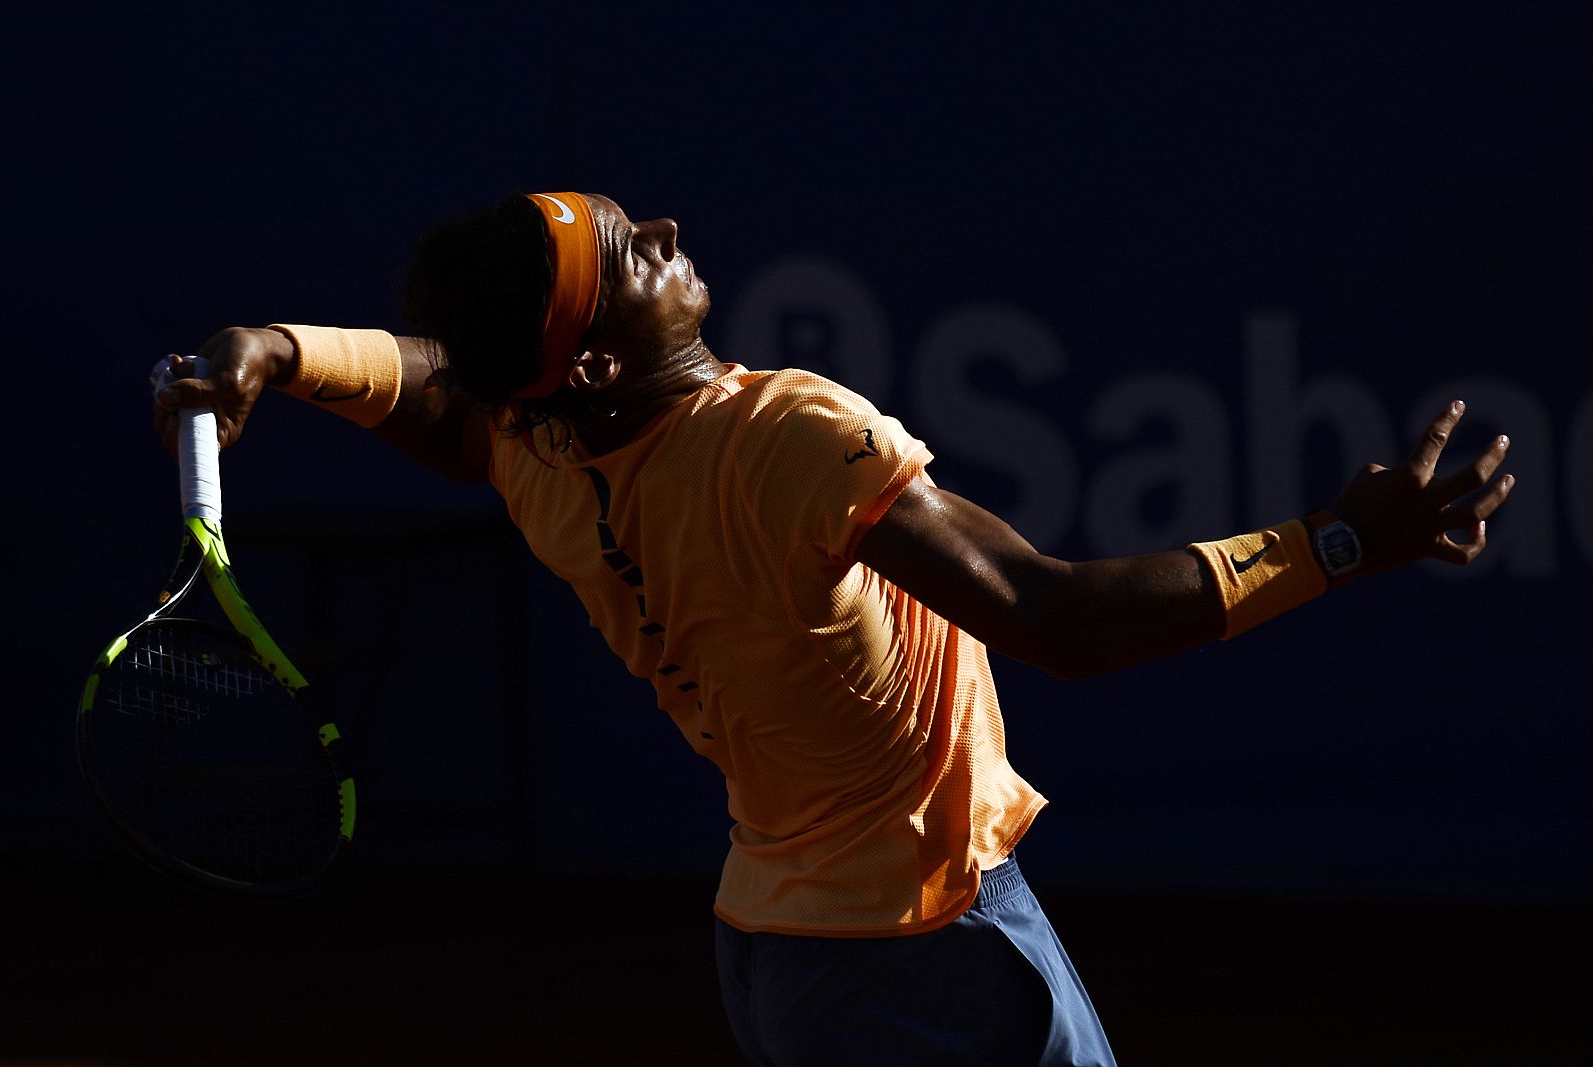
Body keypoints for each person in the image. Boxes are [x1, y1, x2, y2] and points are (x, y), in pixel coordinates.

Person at [154, 190, 1513, 1066]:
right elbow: (1059, 619)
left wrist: (282, 349)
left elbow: (443, 393)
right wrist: (1337, 544)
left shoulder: (542, 455)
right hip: (921, 963)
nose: (665, 229)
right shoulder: (779, 437)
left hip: (788, 954)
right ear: (596, 360)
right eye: (628, 252)